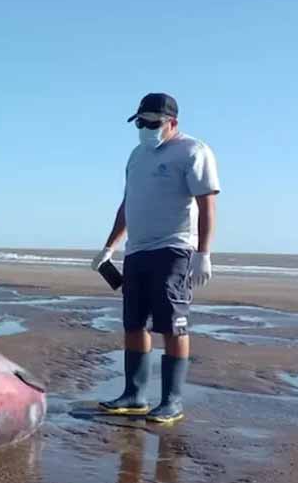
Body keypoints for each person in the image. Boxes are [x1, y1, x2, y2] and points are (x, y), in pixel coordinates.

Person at [91, 93, 220, 423]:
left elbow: (207, 204)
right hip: (137, 250)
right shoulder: (137, 156)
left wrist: (203, 253)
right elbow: (128, 203)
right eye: (141, 122)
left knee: (172, 325)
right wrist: (110, 247)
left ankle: (171, 401)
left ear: (172, 123)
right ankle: (134, 395)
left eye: (153, 123)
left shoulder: (193, 151)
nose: (146, 129)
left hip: (174, 249)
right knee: (133, 323)